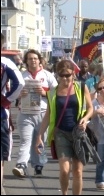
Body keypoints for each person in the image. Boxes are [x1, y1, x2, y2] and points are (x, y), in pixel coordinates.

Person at [35, 59, 93, 195]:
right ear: (57, 75)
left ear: (73, 74)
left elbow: (90, 108)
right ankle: (64, 193)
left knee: (78, 171)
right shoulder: (51, 92)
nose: (65, 78)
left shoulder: (82, 86)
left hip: (78, 133)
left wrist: (85, 119)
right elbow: (48, 116)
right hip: (61, 133)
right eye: (62, 75)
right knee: (64, 170)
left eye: (68, 75)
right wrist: (39, 136)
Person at [12, 49, 58, 178]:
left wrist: (44, 93)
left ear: (39, 60)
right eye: (30, 58)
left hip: (43, 113)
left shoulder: (47, 75)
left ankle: (38, 165)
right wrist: (20, 94)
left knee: (39, 141)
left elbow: (57, 92)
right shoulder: (21, 75)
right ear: (26, 61)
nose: (33, 60)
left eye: (35, 58)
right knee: (25, 140)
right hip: (25, 113)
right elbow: (13, 92)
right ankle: (21, 165)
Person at [1, 33, 25, 193]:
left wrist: (6, 101)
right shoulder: (5, 62)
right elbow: (20, 83)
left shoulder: (5, 63)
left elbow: (20, 83)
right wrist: (6, 100)